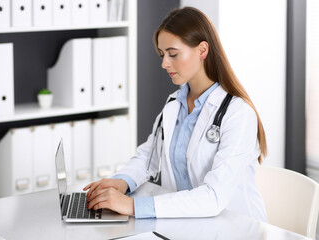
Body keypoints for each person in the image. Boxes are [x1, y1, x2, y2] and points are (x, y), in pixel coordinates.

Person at [84, 6, 268, 222]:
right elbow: (149, 157)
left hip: (236, 227)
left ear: (202, 50)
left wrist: (132, 205)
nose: (164, 63)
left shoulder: (238, 114)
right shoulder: (175, 104)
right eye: (162, 55)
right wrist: (121, 182)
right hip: (188, 222)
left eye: (173, 54)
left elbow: (214, 197)